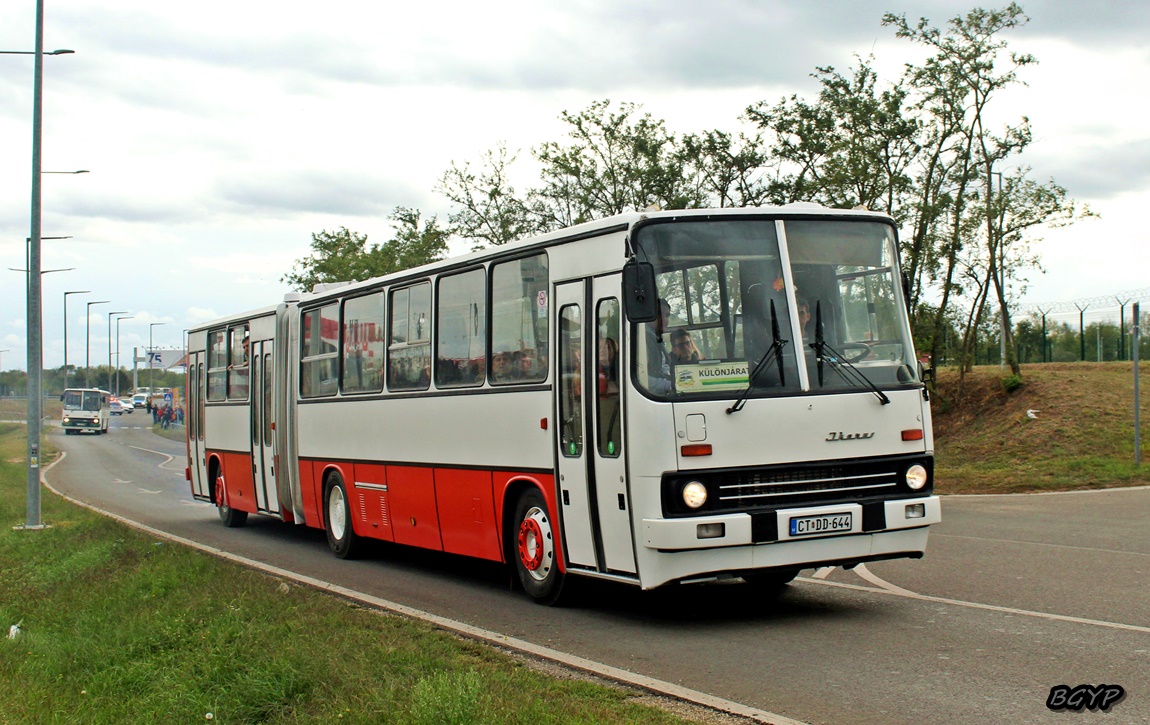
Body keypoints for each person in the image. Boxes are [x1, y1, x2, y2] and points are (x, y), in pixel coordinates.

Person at [643, 299, 673, 394]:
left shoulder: (657, 338)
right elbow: (641, 378)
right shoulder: (644, 339)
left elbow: (663, 367)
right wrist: (668, 385)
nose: (664, 319)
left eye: (667, 315)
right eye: (659, 314)